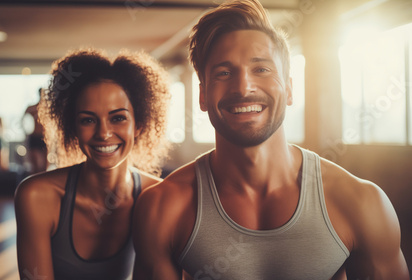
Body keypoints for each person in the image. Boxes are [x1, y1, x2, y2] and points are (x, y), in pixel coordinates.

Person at [132, 1, 410, 279]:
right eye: (224, 73)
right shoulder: (162, 207)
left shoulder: (362, 203)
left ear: (289, 89)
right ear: (203, 95)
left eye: (261, 69)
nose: (243, 87)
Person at [14, 48, 170, 280]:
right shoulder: (36, 196)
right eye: (88, 120)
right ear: (73, 128)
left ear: (139, 125)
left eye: (118, 118)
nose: (104, 133)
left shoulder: (160, 197)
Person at [22, 88, 48, 173]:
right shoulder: (33, 108)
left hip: (44, 136)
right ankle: (35, 184)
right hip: (35, 135)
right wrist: (25, 132)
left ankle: (43, 184)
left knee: (44, 166)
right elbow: (22, 119)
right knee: (34, 165)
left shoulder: (47, 107)